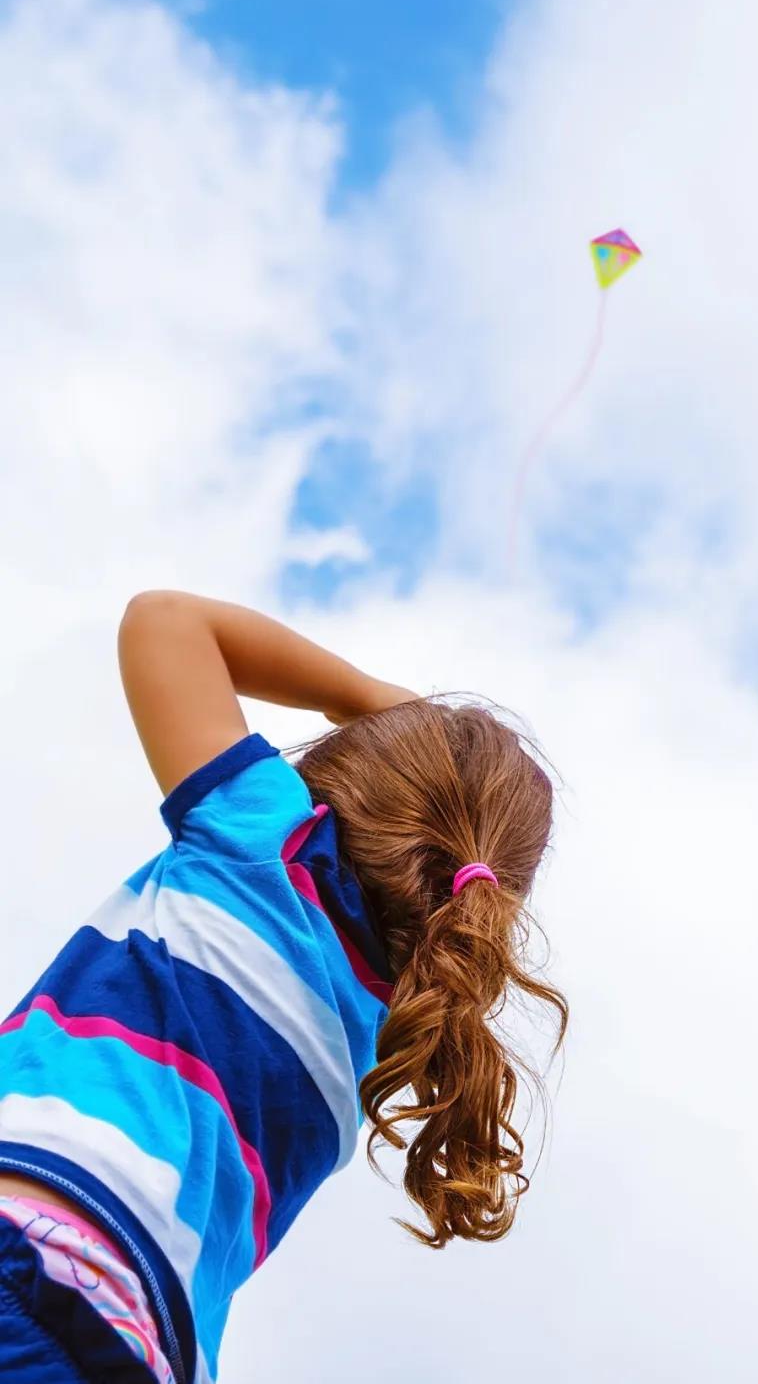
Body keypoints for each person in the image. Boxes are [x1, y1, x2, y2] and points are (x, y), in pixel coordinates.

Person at [0, 590, 568, 1383]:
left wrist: (365, 699)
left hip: (35, 1237)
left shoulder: (265, 842)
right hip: (148, 1347)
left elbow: (163, 619)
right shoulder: (392, 1038)